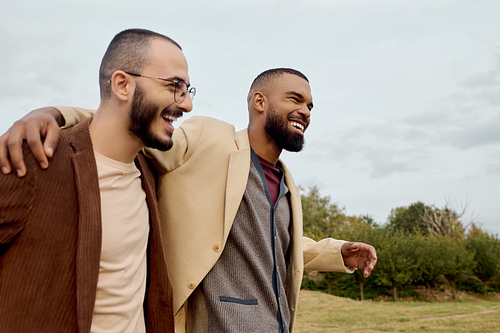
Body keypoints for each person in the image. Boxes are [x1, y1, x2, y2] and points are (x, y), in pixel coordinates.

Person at [0, 68, 377, 332]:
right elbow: (128, 125)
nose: (306, 112)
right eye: (296, 99)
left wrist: (337, 252)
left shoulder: (288, 181)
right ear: (259, 101)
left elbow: (277, 247)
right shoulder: (208, 138)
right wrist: (54, 114)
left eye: (311, 106)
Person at [0, 28, 195, 332]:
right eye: (174, 86)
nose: (186, 104)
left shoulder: (149, 169)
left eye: (187, 90)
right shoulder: (37, 157)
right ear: (122, 84)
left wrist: (54, 111)